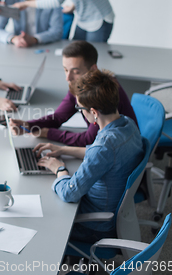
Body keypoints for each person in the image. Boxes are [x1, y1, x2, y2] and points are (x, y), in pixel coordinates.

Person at [35, 69, 144, 243]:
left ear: (93, 112)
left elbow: (70, 193)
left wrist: (59, 169)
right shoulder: (127, 124)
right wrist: (63, 150)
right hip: (113, 210)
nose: (80, 111)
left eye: (79, 108)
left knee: (40, 213)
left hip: (93, 226)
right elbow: (102, 154)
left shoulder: (103, 147)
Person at [9, 41, 137, 147]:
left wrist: (48, 133)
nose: (68, 78)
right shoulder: (81, 85)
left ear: (93, 69)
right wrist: (28, 125)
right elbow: (59, 117)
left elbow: (89, 139)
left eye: (75, 71)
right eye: (65, 70)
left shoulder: (101, 93)